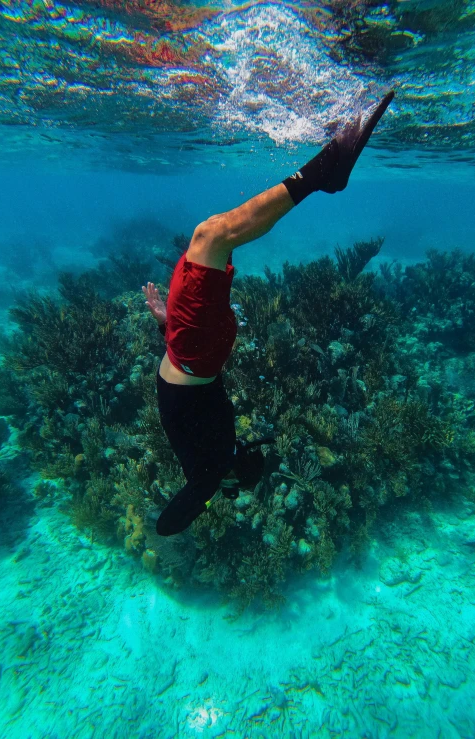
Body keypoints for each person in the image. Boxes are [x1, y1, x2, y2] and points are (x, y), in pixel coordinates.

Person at [143, 91, 395, 537]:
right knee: (211, 236)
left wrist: (167, 321)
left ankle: (327, 170)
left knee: (210, 236)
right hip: (193, 353)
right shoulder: (211, 469)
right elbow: (168, 524)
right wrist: (208, 490)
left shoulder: (213, 466)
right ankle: (325, 171)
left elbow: (172, 518)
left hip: (192, 346)